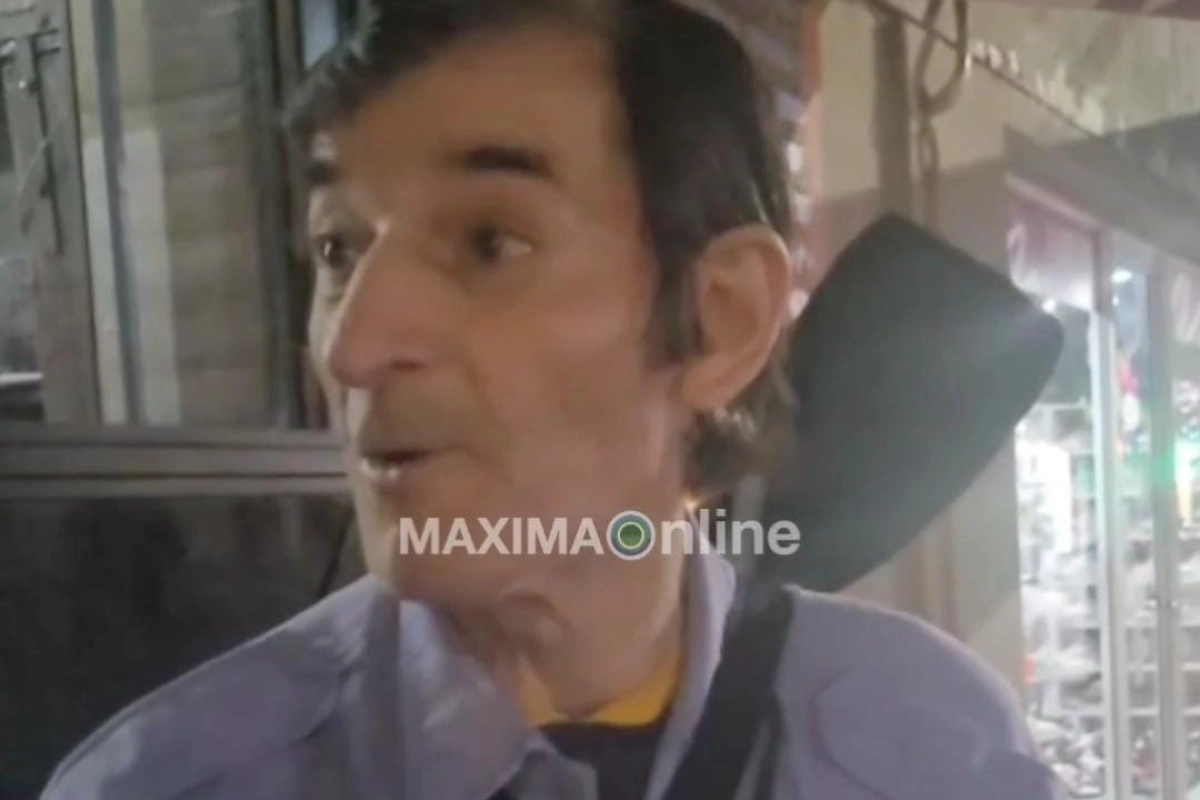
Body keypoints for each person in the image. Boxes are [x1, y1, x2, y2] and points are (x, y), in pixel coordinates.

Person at [41, 1, 1058, 798]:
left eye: (491, 241)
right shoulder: (174, 780)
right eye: (339, 247)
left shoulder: (935, 746)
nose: (354, 345)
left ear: (721, 318)